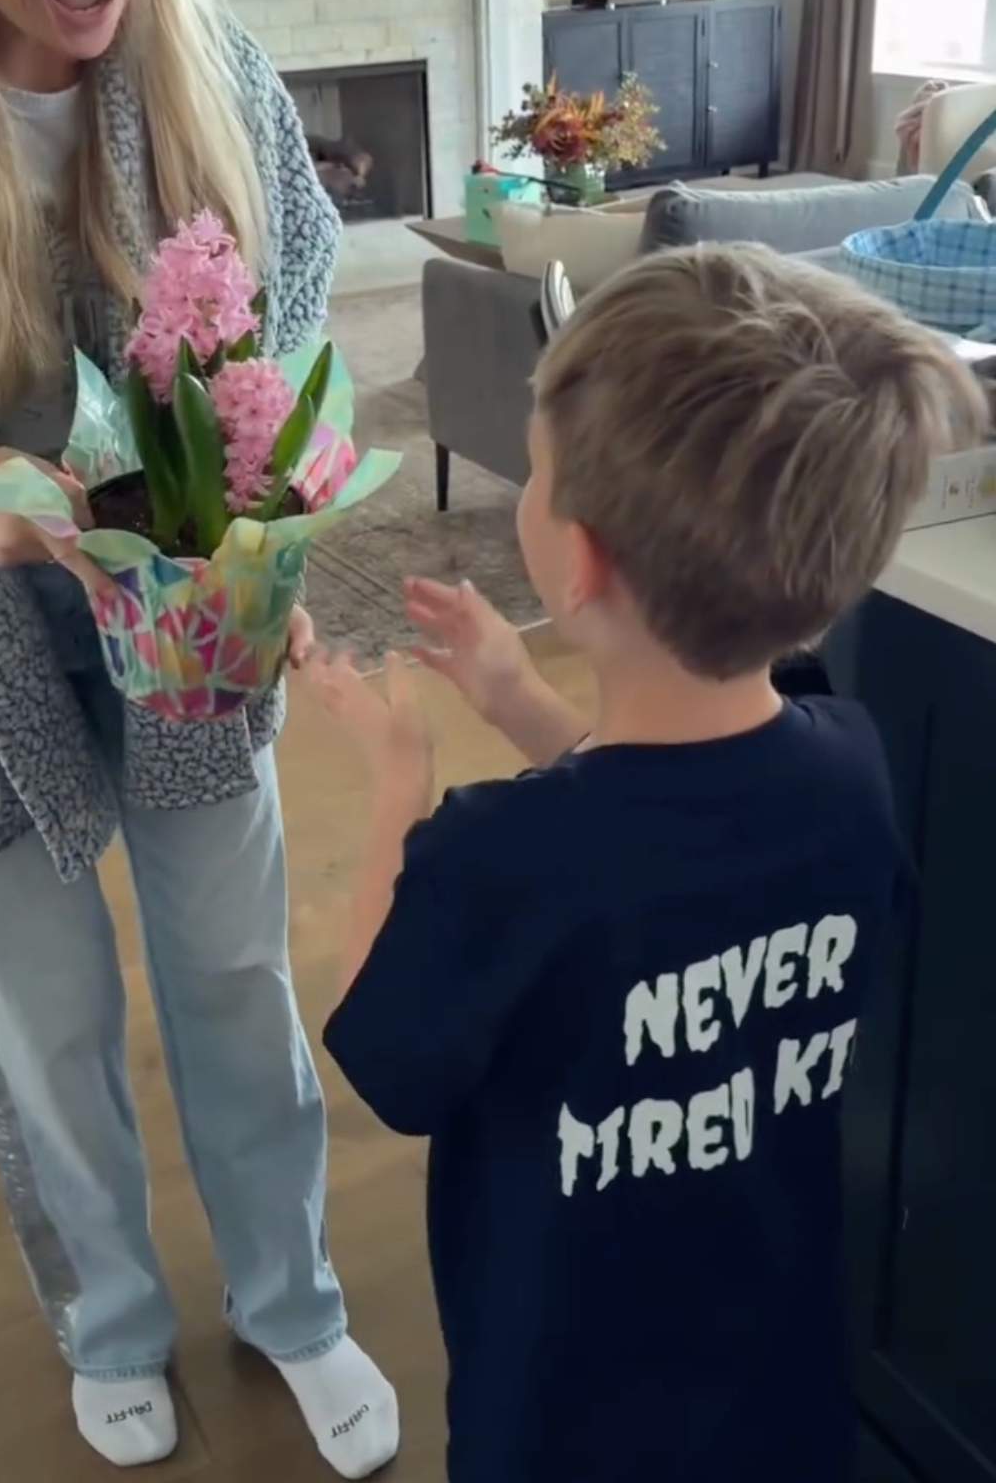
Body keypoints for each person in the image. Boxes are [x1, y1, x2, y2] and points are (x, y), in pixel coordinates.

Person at [0, 0, 396, 1478]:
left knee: (230, 978)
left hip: (191, 637)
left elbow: (300, 316)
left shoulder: (214, 74)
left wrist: (269, 514)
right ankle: (109, 1322)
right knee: (42, 1028)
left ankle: (294, 1297)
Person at [310, 244, 988, 1483]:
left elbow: (381, 1051)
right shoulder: (849, 762)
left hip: (563, 1415)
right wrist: (521, 701)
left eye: (537, 466)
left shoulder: (496, 854)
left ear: (579, 563)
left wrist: (399, 779)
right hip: (777, 1380)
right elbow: (671, 832)